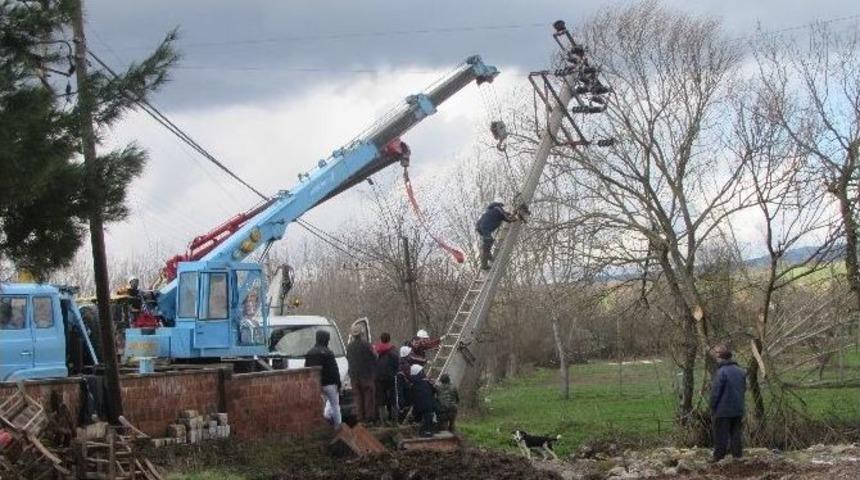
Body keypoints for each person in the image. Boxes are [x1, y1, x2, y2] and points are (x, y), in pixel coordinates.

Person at [710, 344, 747, 462]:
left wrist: (712, 407)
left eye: (717, 355)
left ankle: (718, 457)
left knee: (721, 435)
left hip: (723, 410)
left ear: (720, 358)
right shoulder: (741, 371)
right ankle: (737, 456)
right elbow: (744, 389)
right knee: (736, 434)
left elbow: (716, 392)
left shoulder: (721, 372)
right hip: (738, 408)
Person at [305, 329, 342, 427]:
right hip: (330, 384)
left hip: (316, 385)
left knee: (321, 406)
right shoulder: (328, 353)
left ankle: (324, 422)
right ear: (326, 339)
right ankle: (338, 427)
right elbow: (334, 370)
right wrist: (338, 384)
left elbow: (307, 369)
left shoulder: (310, 353)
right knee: (335, 406)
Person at [475, 198, 519, 270]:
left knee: (489, 241)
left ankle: (488, 255)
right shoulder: (498, 209)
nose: (502, 207)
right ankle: (484, 265)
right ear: (500, 204)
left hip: (480, 227)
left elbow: (504, 214)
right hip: (485, 227)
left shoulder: (492, 209)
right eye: (502, 205)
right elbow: (508, 219)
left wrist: (511, 214)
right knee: (488, 243)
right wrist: (517, 218)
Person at [346, 324, 377, 423]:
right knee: (368, 396)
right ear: (362, 333)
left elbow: (348, 359)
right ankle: (369, 418)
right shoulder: (367, 345)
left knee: (358, 397)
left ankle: (360, 419)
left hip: (354, 376)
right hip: (366, 375)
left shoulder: (349, 347)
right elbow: (375, 357)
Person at [373, 332, 399, 422]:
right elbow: (397, 363)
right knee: (393, 398)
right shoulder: (393, 350)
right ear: (389, 339)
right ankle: (394, 420)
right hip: (390, 377)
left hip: (379, 378)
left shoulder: (376, 350)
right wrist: (394, 372)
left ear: (381, 339)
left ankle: (382, 421)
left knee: (381, 399)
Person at [409, 364, 436, 437]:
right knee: (428, 418)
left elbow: (411, 397)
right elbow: (434, 391)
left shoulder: (413, 385)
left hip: (418, 407)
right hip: (429, 406)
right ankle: (428, 432)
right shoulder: (427, 383)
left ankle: (418, 430)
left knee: (417, 418)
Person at [395, 346, 414, 421]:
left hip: (401, 387)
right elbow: (409, 377)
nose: (410, 354)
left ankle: (400, 418)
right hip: (405, 388)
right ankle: (402, 419)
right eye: (409, 353)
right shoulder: (405, 365)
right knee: (406, 404)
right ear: (407, 355)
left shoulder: (399, 362)